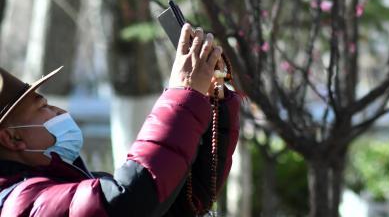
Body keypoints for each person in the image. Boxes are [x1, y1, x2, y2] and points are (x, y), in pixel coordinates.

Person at [0, 23, 240, 216]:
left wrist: (212, 103)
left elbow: (184, 202)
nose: (62, 113)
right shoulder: (24, 203)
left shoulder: (69, 186)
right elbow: (128, 201)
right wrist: (183, 95)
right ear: (12, 137)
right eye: (44, 107)